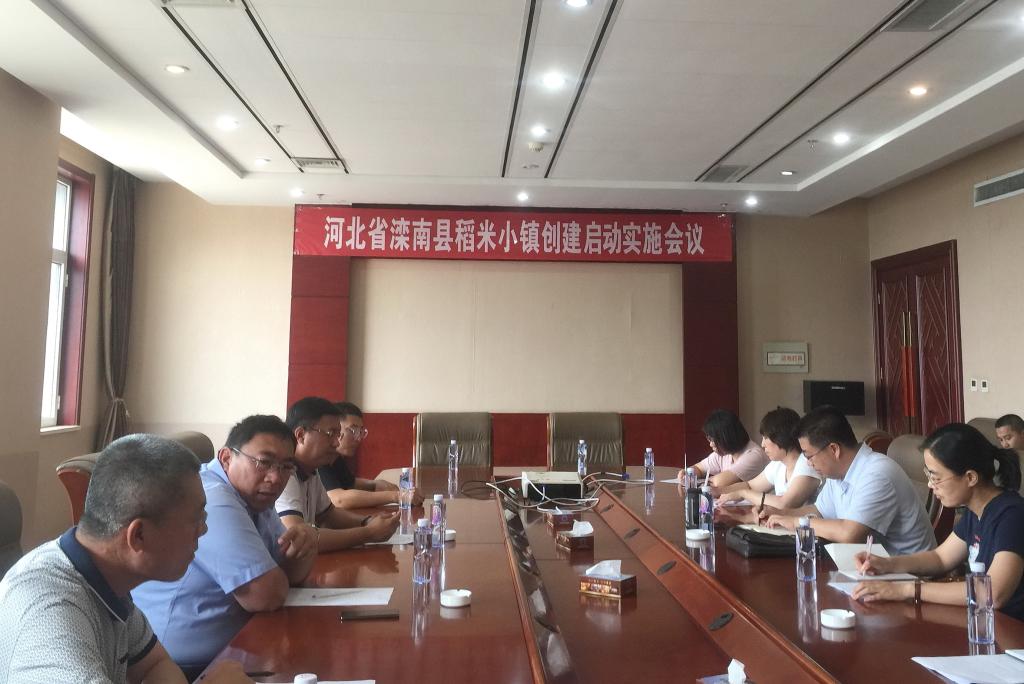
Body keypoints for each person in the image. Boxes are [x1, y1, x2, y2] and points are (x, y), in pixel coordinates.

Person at [0, 434, 250, 683]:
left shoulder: (109, 580)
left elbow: (154, 664)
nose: (203, 530)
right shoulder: (50, 616)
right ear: (138, 535)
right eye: (195, 519)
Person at [133, 415, 319, 679]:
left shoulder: (255, 496)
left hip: (240, 645)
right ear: (226, 458)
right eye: (264, 462)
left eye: (286, 466)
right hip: (182, 668)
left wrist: (308, 539)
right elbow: (265, 596)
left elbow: (291, 571)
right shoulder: (211, 498)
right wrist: (281, 572)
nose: (276, 477)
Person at [851, 424, 1024, 616]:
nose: (930, 485)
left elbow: (993, 593)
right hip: (984, 620)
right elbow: (940, 558)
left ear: (970, 477)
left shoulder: (1012, 515)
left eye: (935, 477)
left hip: (1011, 627)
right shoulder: (975, 511)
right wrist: (887, 564)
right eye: (928, 475)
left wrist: (906, 589)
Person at [760, 405, 936, 555]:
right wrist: (780, 514)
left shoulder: (877, 473)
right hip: (871, 565)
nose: (808, 463)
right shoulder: (838, 473)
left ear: (834, 449)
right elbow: (819, 510)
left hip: (910, 575)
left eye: (809, 456)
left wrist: (797, 522)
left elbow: (850, 534)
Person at [277, 397, 400, 551]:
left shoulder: (311, 470)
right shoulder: (284, 473)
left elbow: (329, 515)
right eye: (330, 433)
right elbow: (299, 539)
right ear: (301, 435)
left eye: (338, 434)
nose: (336, 443)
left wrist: (367, 521)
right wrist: (369, 533)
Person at [319, 401, 423, 509]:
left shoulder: (336, 458)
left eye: (361, 432)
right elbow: (339, 499)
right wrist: (397, 496)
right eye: (353, 430)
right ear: (335, 429)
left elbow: (349, 483)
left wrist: (374, 484)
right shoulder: (320, 458)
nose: (358, 438)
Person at [717, 407, 821, 509]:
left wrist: (743, 493)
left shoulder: (807, 464)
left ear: (781, 437)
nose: (762, 444)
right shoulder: (778, 464)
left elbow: (785, 504)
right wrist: (717, 491)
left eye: (766, 438)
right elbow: (750, 486)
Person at [678, 409, 768, 489]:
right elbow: (699, 468)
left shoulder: (754, 455)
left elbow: (719, 483)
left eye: (712, 440)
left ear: (725, 437)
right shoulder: (725, 453)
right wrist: (688, 473)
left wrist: (697, 481)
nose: (710, 444)